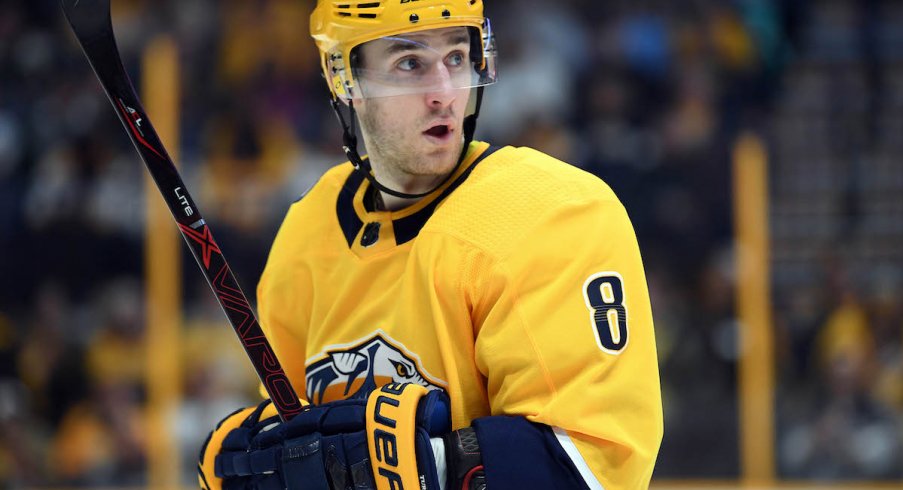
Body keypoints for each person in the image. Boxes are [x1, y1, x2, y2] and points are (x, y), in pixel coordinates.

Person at [198, 1, 663, 489]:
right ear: (344, 80)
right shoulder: (307, 231)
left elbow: (590, 465)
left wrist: (434, 463)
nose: (443, 93)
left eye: (457, 58)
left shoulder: (554, 214)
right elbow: (296, 436)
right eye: (409, 64)